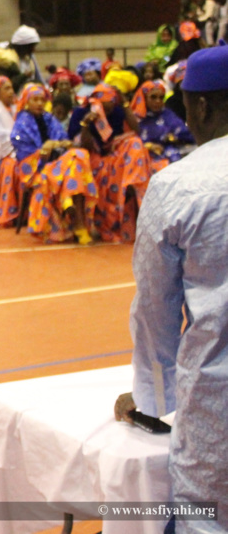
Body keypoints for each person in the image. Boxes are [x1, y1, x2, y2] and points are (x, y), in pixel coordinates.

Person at [113, 44, 228, 533]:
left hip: (216, 407)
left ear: (200, 106)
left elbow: (156, 313)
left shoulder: (179, 186)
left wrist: (154, 403)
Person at [0, 84, 98, 243]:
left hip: (58, 166)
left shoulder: (50, 118)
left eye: (42, 99)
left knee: (78, 157)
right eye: (35, 99)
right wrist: (42, 152)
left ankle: (68, 200)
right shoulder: (21, 124)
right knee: (76, 159)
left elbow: (63, 141)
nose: (40, 103)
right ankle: (79, 225)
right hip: (36, 170)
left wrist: (56, 145)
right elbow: (23, 156)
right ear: (27, 101)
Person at [69, 83, 153, 243]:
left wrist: (125, 104)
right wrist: (85, 125)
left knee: (134, 143)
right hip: (91, 159)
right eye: (106, 103)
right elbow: (82, 146)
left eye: (113, 102)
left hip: (115, 157)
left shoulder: (118, 111)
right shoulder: (81, 113)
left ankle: (132, 184)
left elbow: (137, 131)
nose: (110, 106)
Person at [131, 80, 196, 171]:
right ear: (144, 98)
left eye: (161, 97)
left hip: (170, 151)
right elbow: (130, 141)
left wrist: (174, 138)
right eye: (153, 97)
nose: (158, 101)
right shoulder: (135, 119)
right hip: (142, 156)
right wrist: (149, 146)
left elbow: (185, 133)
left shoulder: (167, 114)